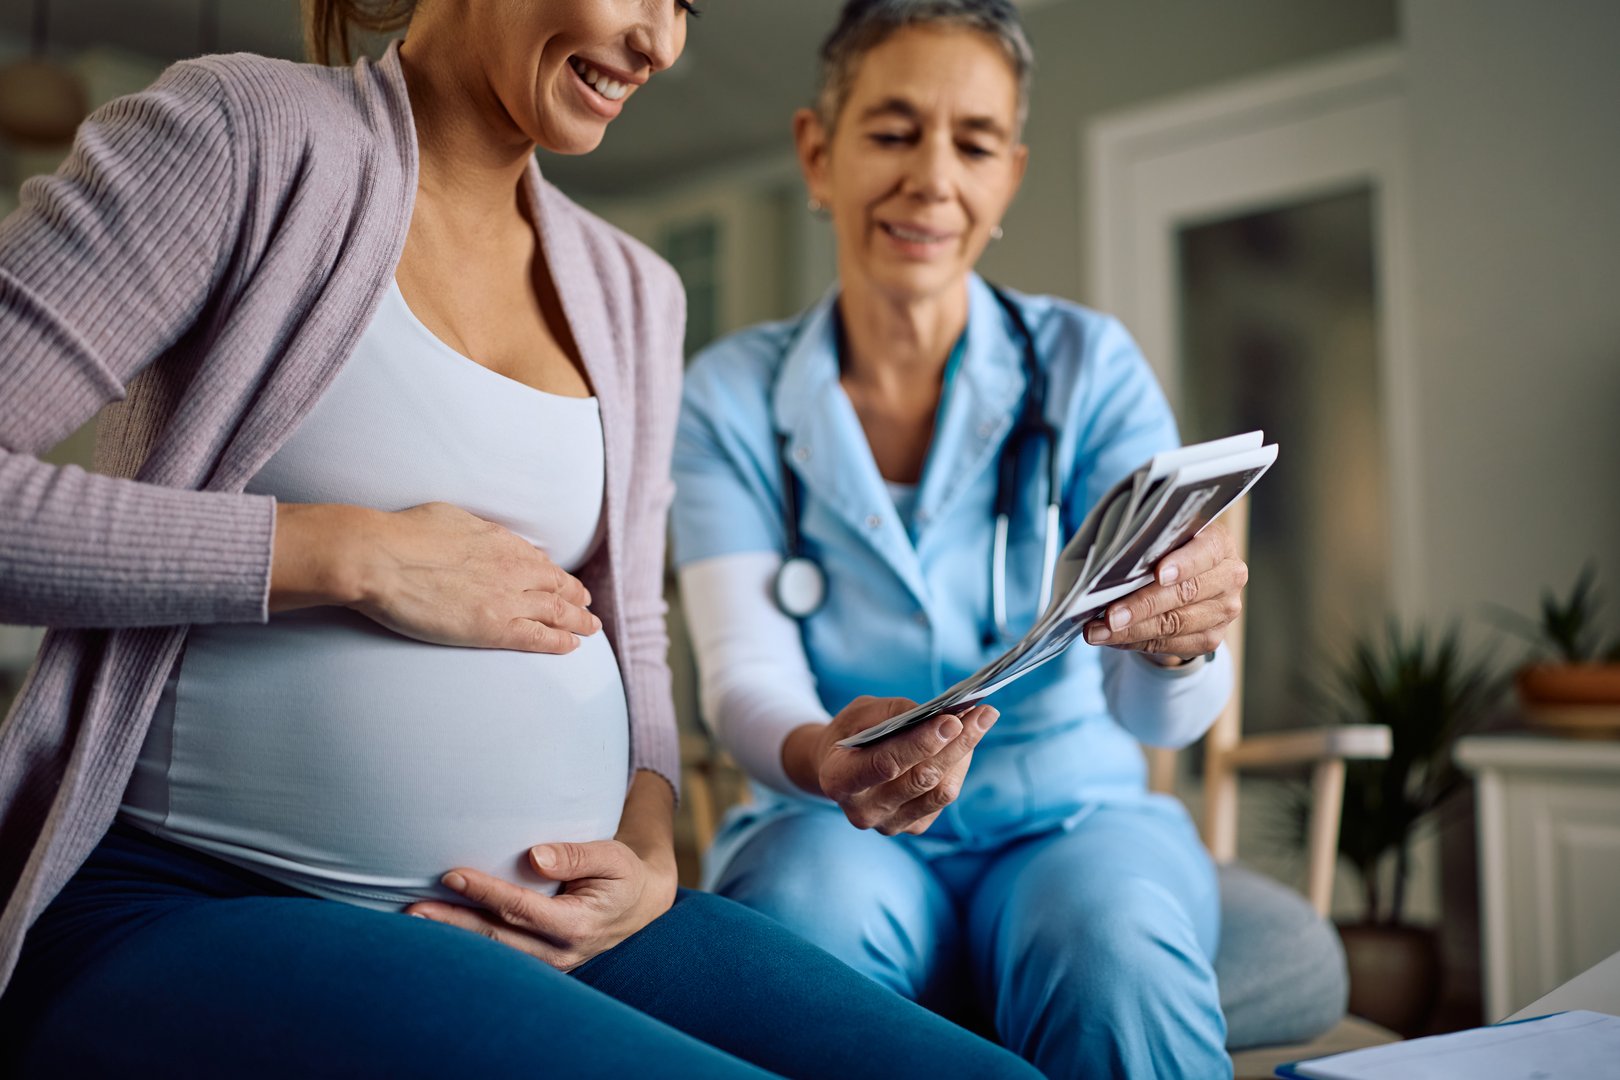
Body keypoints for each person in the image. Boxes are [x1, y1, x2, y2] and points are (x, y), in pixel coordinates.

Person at [0, 2, 1042, 1076]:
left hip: (565, 923)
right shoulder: (241, 137)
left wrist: (646, 848)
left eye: (684, 4)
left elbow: (631, 622)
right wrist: (349, 554)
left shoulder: (636, 292)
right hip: (198, 901)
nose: (662, 42)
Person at [672, 2, 1249, 1077]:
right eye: (892, 132)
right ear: (817, 152)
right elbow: (744, 672)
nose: (933, 178)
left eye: (975, 143)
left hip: (1069, 815)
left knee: (1117, 950)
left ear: (1008, 180)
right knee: (803, 933)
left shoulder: (1090, 368)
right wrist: (826, 758)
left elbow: (1158, 715)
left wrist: (1178, 642)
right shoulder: (730, 397)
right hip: (827, 820)